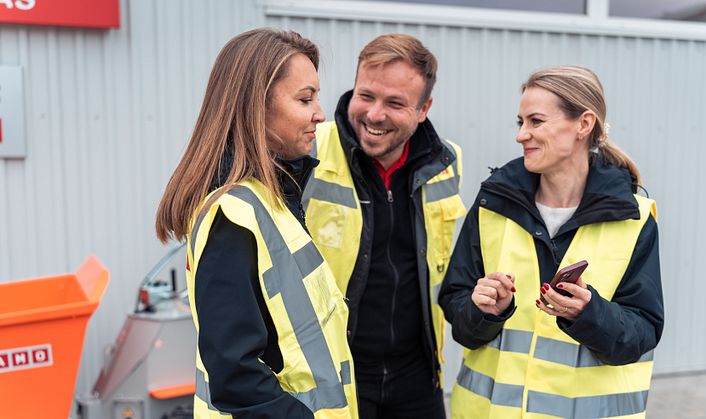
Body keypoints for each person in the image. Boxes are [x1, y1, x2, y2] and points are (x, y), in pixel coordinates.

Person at [155, 28, 358, 419]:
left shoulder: (272, 201)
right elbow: (236, 375)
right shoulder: (233, 216)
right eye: (305, 98)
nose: (320, 113)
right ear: (256, 106)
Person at [439, 66, 664, 419]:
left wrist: (589, 314)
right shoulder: (492, 205)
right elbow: (458, 315)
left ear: (583, 124)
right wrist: (484, 311)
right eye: (520, 122)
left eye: (536, 121)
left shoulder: (634, 219)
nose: (522, 135)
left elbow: (641, 334)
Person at [302, 33, 466, 419]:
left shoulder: (447, 161)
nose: (375, 115)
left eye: (395, 103)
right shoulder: (308, 150)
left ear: (424, 108)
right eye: (366, 96)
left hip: (418, 374)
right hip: (334, 373)